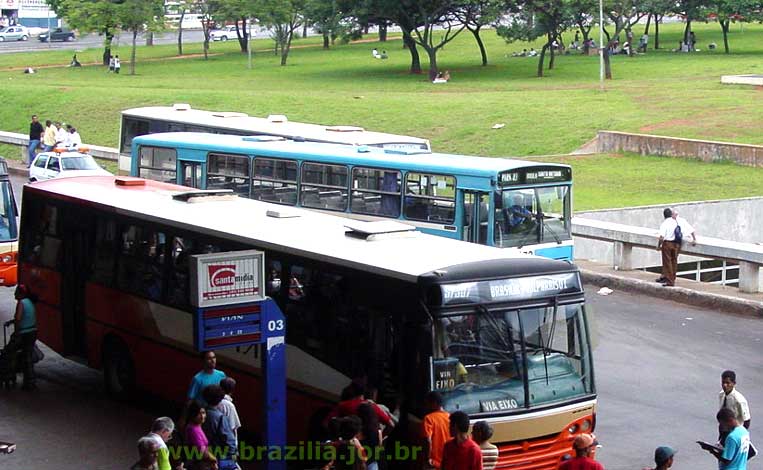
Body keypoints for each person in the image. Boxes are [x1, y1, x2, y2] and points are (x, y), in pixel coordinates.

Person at [656, 208, 696, 287]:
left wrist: (658, 246)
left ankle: (669, 280)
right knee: (674, 261)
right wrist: (694, 239)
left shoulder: (665, 223)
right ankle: (671, 278)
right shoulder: (679, 221)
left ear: (664, 216)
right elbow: (691, 230)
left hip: (668, 244)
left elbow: (661, 237)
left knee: (667, 262)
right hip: (677, 244)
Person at [201, 385, 238, 468]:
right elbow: (229, 440)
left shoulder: (200, 415)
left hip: (204, 455)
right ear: (220, 399)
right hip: (219, 457)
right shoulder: (220, 417)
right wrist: (233, 457)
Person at [14, 284, 37, 391]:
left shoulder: (21, 303)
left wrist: (16, 332)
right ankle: (30, 380)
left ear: (20, 293)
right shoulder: (30, 302)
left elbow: (18, 319)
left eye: (16, 292)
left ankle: (28, 382)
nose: (14, 294)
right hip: (32, 331)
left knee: (24, 357)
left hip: (25, 333)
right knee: (28, 355)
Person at [184, 401, 218, 470]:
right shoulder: (193, 430)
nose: (202, 416)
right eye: (198, 414)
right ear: (192, 415)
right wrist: (214, 460)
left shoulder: (197, 426)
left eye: (203, 413)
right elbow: (202, 451)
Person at [719, 370, 751, 443]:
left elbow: (747, 420)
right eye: (723, 382)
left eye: (727, 383)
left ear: (733, 383)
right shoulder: (721, 395)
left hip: (734, 431)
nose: (725, 385)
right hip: (723, 429)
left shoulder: (739, 400)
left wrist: (740, 435)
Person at [422, 391, 451, 469]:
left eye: (427, 403)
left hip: (434, 463)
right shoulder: (450, 417)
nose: (426, 406)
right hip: (449, 462)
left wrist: (427, 459)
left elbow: (428, 440)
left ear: (434, 403)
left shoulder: (429, 418)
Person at [217, 377, 242, 448]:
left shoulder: (216, 401)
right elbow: (233, 427)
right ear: (232, 391)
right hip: (226, 442)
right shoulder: (229, 406)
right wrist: (235, 446)